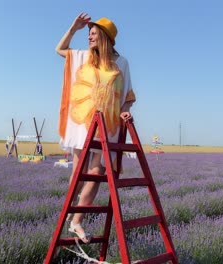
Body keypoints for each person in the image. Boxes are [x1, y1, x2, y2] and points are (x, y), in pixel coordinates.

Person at [56, 13, 136, 243]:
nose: (89, 37)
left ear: (105, 36)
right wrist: (73, 28)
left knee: (97, 172)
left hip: (107, 125)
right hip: (82, 121)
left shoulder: (122, 64)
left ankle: (77, 220)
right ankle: (69, 214)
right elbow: (60, 49)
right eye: (88, 34)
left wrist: (125, 110)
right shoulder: (82, 57)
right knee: (78, 172)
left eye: (93, 33)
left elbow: (128, 96)